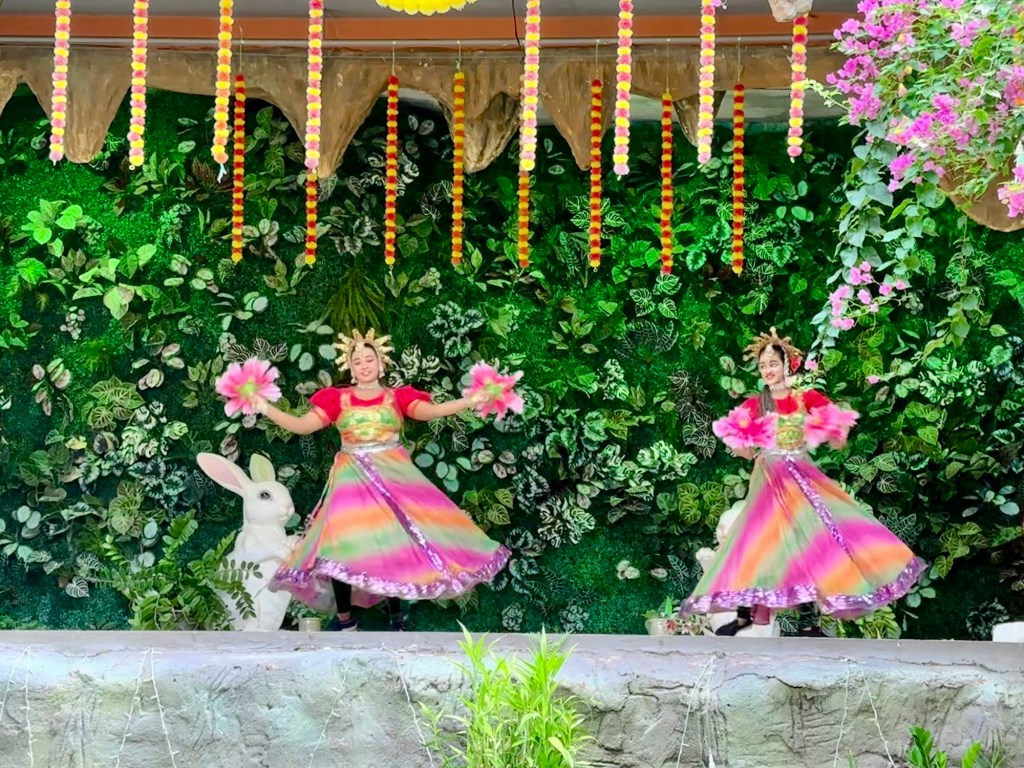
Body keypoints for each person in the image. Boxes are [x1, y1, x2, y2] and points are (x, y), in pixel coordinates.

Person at [256, 329, 511, 631]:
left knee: (394, 544)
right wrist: (264, 407)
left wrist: (470, 400)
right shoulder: (338, 399)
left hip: (393, 479)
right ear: (351, 369)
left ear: (381, 364)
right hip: (351, 482)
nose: (364, 365)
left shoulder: (396, 397)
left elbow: (431, 411)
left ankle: (396, 618)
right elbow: (302, 426)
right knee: (341, 544)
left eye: (369, 359)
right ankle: (345, 620)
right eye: (357, 361)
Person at [682, 327, 925, 636]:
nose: (768, 370)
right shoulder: (757, 403)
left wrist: (834, 431)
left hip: (798, 477)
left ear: (787, 364)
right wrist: (746, 443)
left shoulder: (804, 397)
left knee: (808, 542)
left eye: (773, 364)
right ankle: (745, 614)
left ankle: (808, 620)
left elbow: (834, 422)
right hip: (768, 480)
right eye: (763, 366)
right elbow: (737, 439)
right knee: (756, 542)